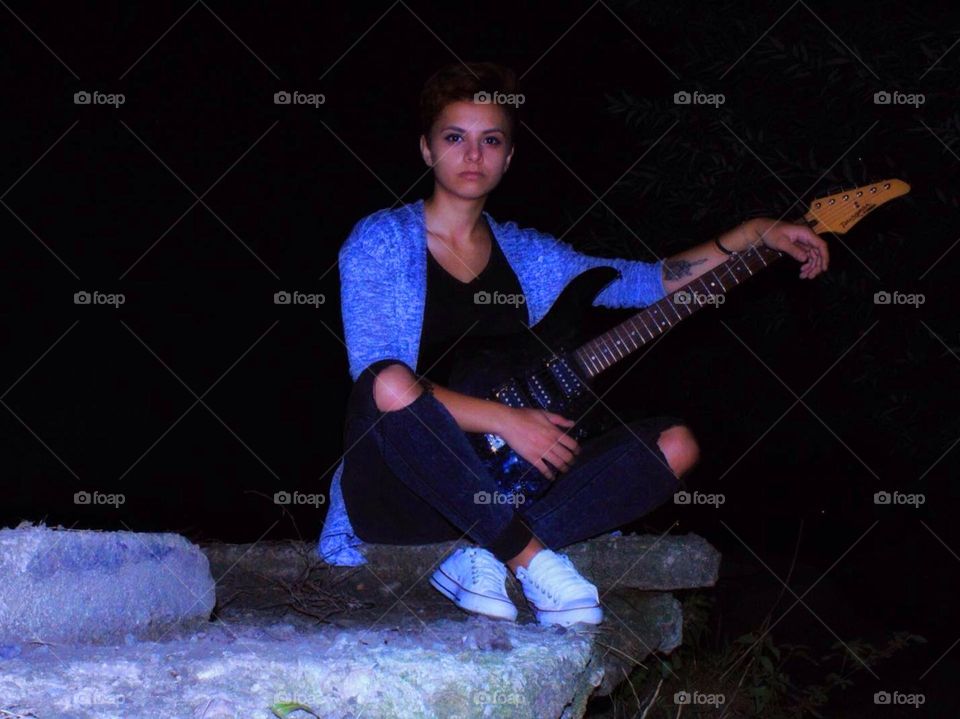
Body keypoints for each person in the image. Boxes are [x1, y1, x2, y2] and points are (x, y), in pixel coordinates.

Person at [324, 62, 829, 627]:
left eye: (490, 140)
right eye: (454, 138)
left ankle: (481, 549)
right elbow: (377, 383)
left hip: (510, 481)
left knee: (677, 445)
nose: (472, 155)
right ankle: (525, 555)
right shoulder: (382, 240)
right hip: (404, 486)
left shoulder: (533, 257)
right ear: (425, 149)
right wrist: (506, 420)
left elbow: (650, 279)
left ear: (509, 157)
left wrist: (756, 232)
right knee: (388, 380)